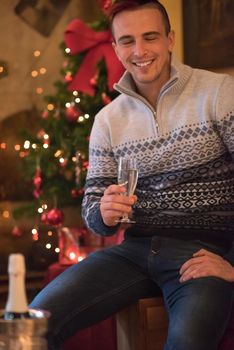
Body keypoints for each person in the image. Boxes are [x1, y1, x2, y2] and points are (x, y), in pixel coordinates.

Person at [30, 1, 234, 349]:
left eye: (150, 37)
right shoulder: (107, 121)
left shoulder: (219, 92)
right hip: (133, 253)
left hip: (203, 252)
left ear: (170, 39)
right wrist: (104, 213)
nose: (139, 51)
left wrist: (232, 264)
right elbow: (93, 209)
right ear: (115, 48)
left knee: (187, 342)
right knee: (31, 324)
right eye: (127, 41)